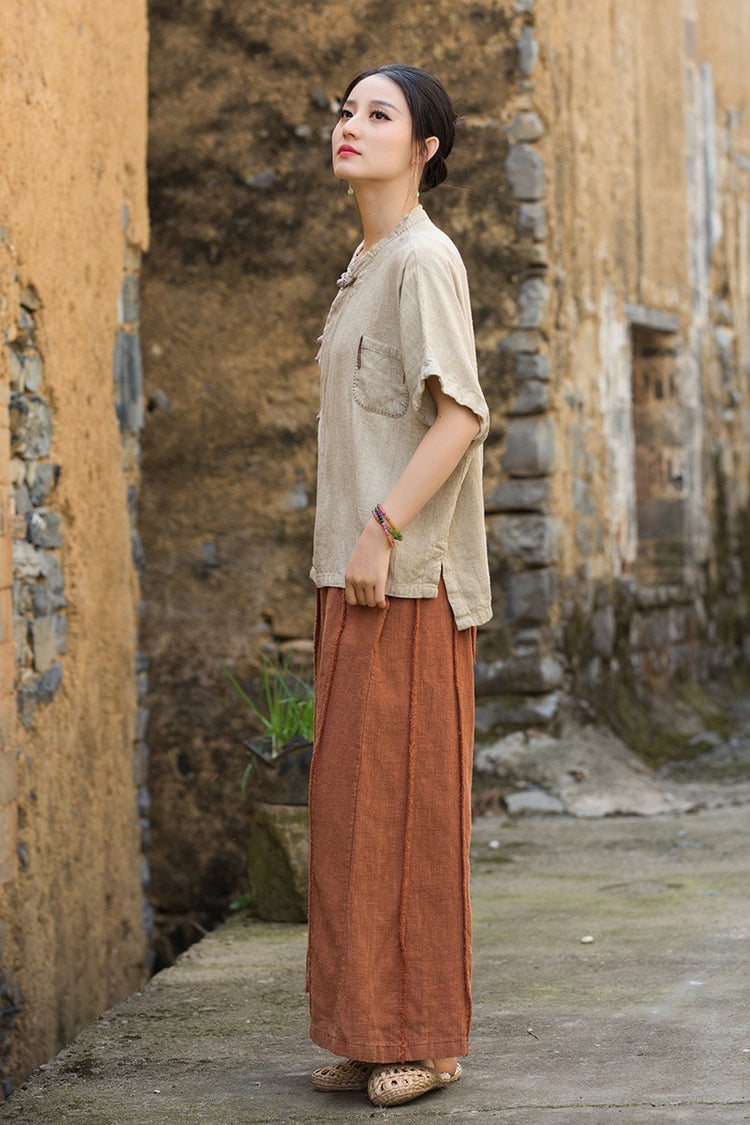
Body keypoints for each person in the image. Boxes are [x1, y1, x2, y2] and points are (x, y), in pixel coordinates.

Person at [306, 63, 492, 1109]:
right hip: (353, 577)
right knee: (351, 819)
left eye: (378, 114)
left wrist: (383, 530)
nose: (351, 125)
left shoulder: (424, 259)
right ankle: (366, 1027)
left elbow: (460, 416)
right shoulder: (365, 265)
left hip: (408, 581)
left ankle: (426, 1037)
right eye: (346, 110)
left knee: (410, 816)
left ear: (424, 148)